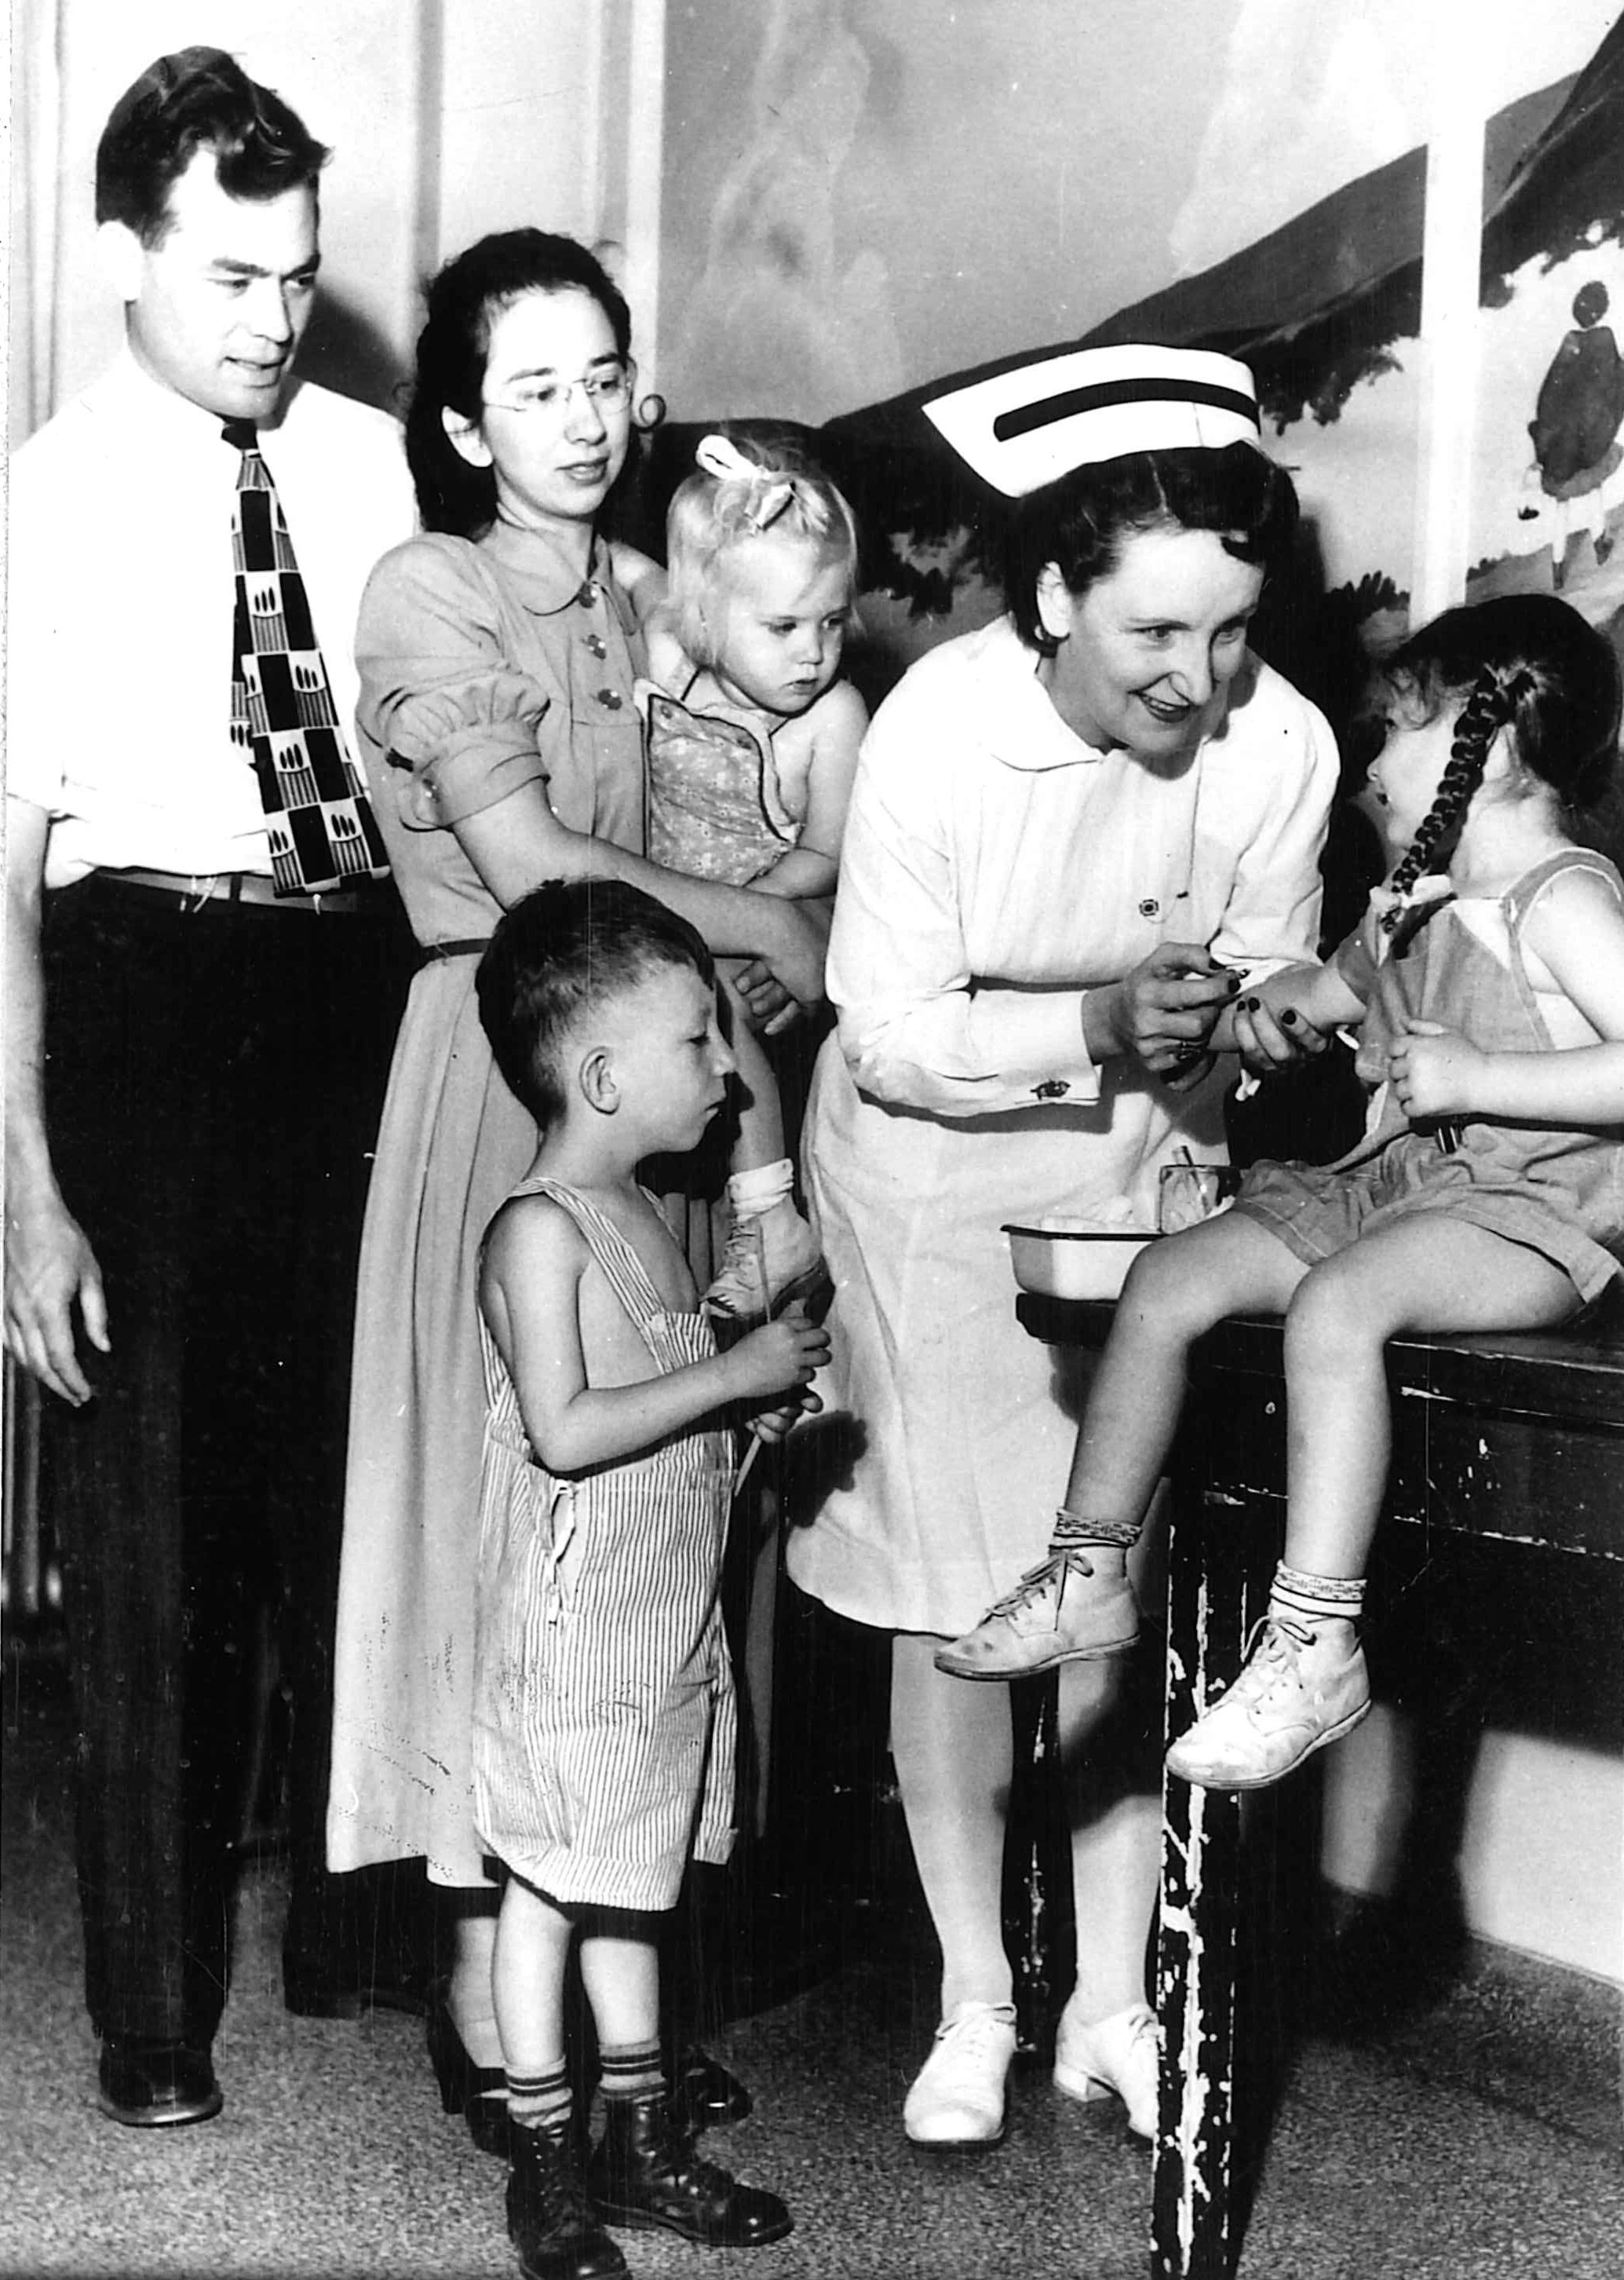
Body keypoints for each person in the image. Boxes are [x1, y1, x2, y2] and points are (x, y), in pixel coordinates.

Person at [788, 344, 1341, 2148]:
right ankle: (973, 1997)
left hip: (1142, 1169)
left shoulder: (1278, 744)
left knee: (1105, 1578)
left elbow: (1262, 975)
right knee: (959, 1585)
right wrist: (1089, 1024)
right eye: (1149, 642)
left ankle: (1111, 1999)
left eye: (1232, 633)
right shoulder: (937, 731)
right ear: (1049, 597)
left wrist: (1251, 1026)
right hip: (930, 1167)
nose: (1200, 682)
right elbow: (880, 1032)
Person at [325, 230, 830, 2155]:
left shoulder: (657, 589)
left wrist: (752, 1006)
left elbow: (738, 862)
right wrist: (768, 923)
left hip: (668, 1092)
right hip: (500, 1070)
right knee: (499, 1521)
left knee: (647, 1539)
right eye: (533, 385)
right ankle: (484, 1983)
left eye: (606, 372)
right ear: (462, 418)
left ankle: (601, 1965)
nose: (585, 415)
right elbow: (533, 861)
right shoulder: (426, 586)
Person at [2, 49, 418, 2126]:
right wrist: (21, 1187)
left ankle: (365, 1939)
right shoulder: (46, 491)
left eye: (299, 277)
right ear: (121, 258)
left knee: (369, 1465)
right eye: (234, 274)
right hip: (147, 989)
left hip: (354, 978)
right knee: (152, 1516)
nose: (275, 315)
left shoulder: (361, 461)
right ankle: (151, 2014)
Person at [951, 594, 1624, 1792]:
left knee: (1336, 1310)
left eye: (1399, 730)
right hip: (1412, 1187)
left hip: (1534, 1216)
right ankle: (1088, 1568)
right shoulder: (1421, 904)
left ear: (1493, 743)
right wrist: (1261, 1016)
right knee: (1171, 1277)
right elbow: (1331, 993)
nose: (1371, 760)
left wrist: (1480, 1072)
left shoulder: (1563, 899)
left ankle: (1313, 1641)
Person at [472, 879, 819, 2278]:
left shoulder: (636, 1215)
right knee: (550, 1888)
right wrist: (730, 1371)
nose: (727, 1067)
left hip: (660, 1623)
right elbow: (564, 1428)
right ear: (604, 1074)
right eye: (699, 1042)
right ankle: (547, 2157)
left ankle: (638, 2134)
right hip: (574, 1637)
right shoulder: (540, 1225)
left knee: (633, 1882)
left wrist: (739, 1377)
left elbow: (654, 1387)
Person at [641, 429, 868, 1324]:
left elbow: (824, 854)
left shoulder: (832, 717)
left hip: (754, 929)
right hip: (653, 921)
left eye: (831, 621)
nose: (812, 653)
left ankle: (770, 1219)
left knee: (718, 997)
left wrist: (744, 913)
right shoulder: (668, 663)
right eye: (781, 627)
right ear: (702, 613)